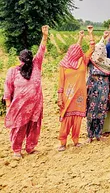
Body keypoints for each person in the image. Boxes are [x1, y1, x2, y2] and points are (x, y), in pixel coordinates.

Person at [3, 25, 49, 158]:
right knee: (19, 127)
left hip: (35, 105)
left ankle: (30, 147)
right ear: (20, 59)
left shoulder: (36, 65)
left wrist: (44, 36)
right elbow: (7, 88)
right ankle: (16, 150)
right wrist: (8, 105)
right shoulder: (13, 71)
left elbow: (41, 50)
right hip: (20, 106)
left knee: (34, 126)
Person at [57, 26, 95, 151]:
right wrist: (59, 97)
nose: (78, 53)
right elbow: (61, 82)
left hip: (79, 96)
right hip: (67, 96)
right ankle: (62, 142)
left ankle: (76, 140)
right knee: (66, 118)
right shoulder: (64, 64)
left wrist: (90, 34)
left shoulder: (82, 60)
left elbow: (91, 48)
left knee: (78, 118)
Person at [86, 32, 110, 142]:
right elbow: (91, 48)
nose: (99, 52)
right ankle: (90, 135)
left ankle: (98, 134)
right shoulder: (91, 61)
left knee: (101, 112)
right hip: (92, 90)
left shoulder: (109, 63)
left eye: (101, 50)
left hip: (104, 91)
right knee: (91, 112)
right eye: (98, 50)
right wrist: (94, 36)